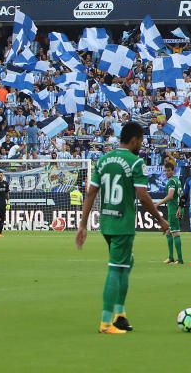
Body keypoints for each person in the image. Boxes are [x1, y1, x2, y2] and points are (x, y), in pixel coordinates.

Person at [76, 122, 168, 334]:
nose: (141, 145)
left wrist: (83, 224)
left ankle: (120, 314)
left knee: (127, 262)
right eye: (141, 141)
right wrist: (160, 219)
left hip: (106, 223)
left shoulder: (103, 160)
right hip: (123, 224)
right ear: (134, 139)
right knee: (116, 269)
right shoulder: (135, 163)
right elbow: (143, 196)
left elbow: (91, 192)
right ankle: (107, 322)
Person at [155, 161, 184, 264]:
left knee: (175, 232)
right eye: (165, 171)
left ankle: (180, 259)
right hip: (175, 208)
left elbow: (170, 196)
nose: (166, 172)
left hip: (174, 209)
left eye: (168, 170)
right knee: (168, 231)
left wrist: (158, 203)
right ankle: (171, 257)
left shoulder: (171, 181)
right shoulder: (177, 180)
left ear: (173, 171)